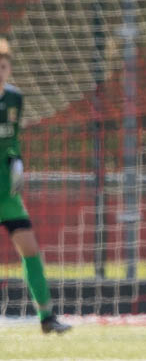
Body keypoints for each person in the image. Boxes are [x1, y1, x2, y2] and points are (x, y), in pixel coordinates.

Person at [0, 39, 70, 335]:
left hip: (7, 192)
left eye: (3, 66)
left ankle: (46, 317)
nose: (0, 71)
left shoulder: (15, 98)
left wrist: (17, 162)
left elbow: (12, 139)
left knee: (30, 249)